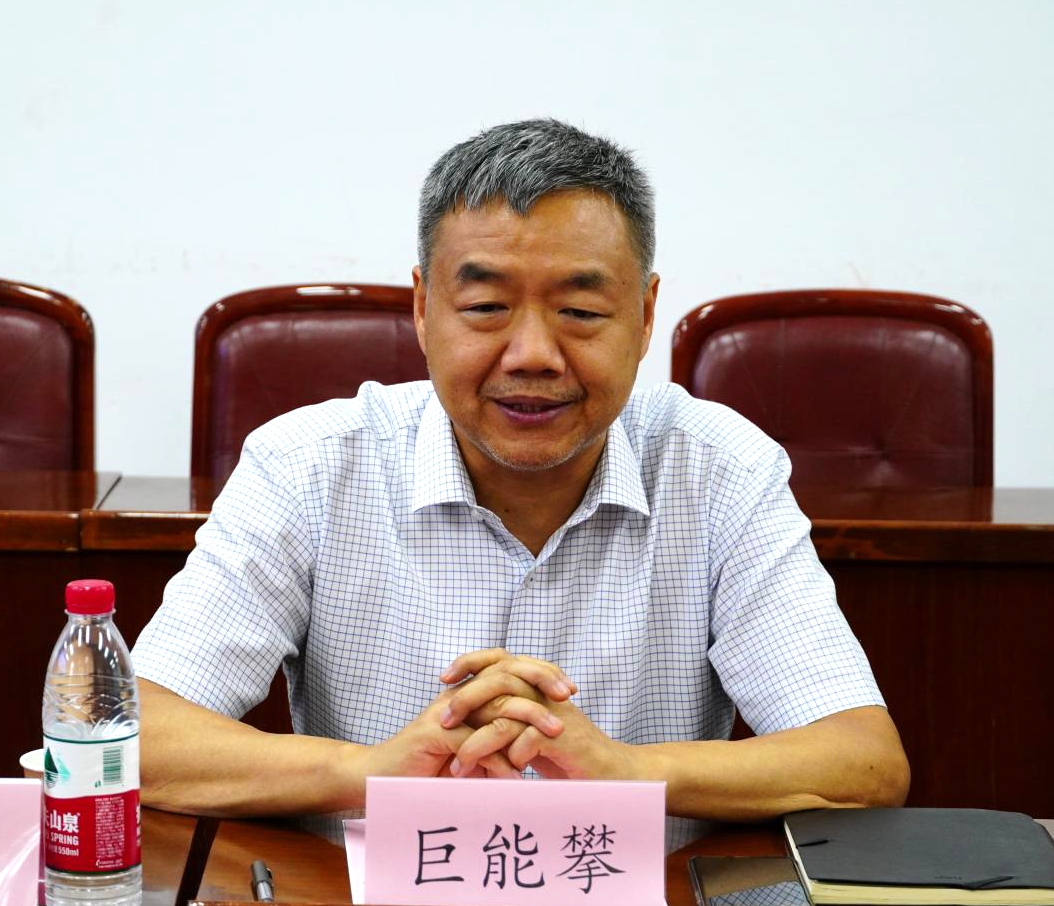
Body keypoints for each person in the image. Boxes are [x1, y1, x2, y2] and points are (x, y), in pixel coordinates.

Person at [133, 118, 909, 849]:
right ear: (423, 308)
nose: (533, 353)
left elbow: (862, 762)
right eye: (486, 307)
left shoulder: (721, 472)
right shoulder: (308, 465)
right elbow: (133, 737)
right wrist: (371, 772)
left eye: (580, 310)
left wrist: (623, 771)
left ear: (644, 316)